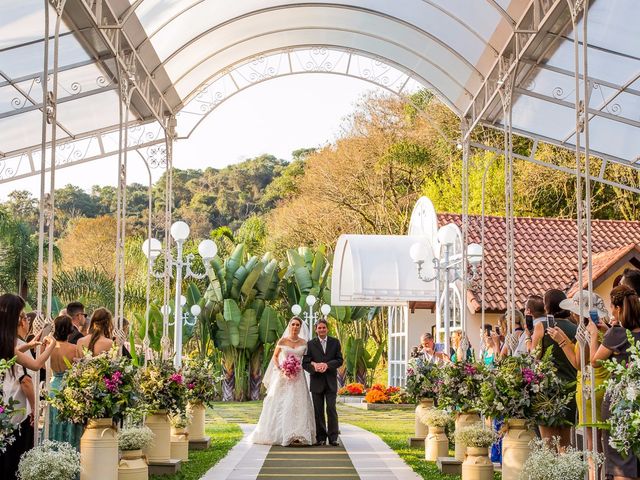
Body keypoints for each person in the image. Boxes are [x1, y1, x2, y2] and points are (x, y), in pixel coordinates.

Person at [548, 290, 610, 480]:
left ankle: (594, 476)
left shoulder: (586, 332)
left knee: (593, 443)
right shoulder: (601, 329)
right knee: (603, 441)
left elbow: (579, 362)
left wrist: (562, 341)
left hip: (590, 387)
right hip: (600, 385)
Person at [0, 294, 56, 480]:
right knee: (13, 459)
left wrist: (29, 345)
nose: (24, 319)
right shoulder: (10, 343)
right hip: (13, 409)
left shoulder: (5, 342)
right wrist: (51, 345)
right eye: (22, 315)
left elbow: (12, 354)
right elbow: (36, 365)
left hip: (6, 406)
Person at [589, 285, 640, 480]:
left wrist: (595, 335)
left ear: (618, 308)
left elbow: (595, 361)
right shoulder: (619, 332)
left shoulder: (616, 333)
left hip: (619, 401)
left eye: (611, 307)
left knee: (620, 458)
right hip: (637, 399)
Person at [249, 317, 316, 446]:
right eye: (293, 324)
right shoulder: (283, 340)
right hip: (284, 376)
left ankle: (299, 433)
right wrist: (281, 367)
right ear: (289, 326)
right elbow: (275, 356)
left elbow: (308, 359)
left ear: (300, 327)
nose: (295, 327)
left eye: (297, 325)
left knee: (298, 403)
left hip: (298, 376)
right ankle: (281, 433)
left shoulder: (304, 342)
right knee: (282, 402)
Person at [531, 289, 577, 450]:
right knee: (565, 443)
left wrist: (529, 345)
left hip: (547, 390)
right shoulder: (575, 328)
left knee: (548, 443)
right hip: (570, 387)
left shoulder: (541, 327)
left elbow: (534, 357)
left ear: (547, 306)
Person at [303, 319, 344, 446]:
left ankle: (333, 438)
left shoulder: (335, 342)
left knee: (331, 409)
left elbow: (339, 360)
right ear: (316, 330)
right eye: (319, 328)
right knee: (318, 410)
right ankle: (321, 437)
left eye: (324, 328)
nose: (322, 330)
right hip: (316, 382)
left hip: (331, 381)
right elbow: (305, 363)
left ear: (327, 329)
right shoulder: (310, 344)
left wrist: (327, 365)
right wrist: (315, 367)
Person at [48, 314, 83, 449]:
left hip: (54, 387)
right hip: (68, 388)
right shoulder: (74, 349)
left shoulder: (49, 348)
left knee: (54, 421)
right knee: (69, 423)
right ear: (70, 330)